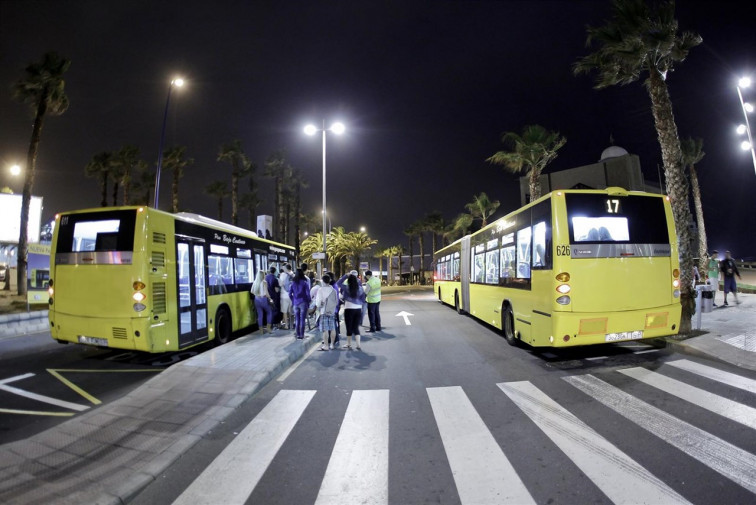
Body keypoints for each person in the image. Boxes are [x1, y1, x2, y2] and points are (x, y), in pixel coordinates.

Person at [340, 273, 365, 350]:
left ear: (348, 281)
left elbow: (338, 283)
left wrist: (345, 276)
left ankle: (349, 344)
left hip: (348, 308)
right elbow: (363, 298)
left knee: (349, 327)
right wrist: (359, 304)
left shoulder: (346, 287)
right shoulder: (360, 289)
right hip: (358, 309)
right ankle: (358, 345)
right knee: (356, 327)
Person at [316, 274, 338, 350]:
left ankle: (326, 345)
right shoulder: (333, 290)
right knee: (332, 328)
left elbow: (318, 303)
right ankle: (332, 344)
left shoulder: (320, 290)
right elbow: (336, 301)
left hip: (324, 311)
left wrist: (320, 305)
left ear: (323, 281)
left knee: (325, 329)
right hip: (332, 311)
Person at [289, 268, 312, 339]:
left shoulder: (293, 283)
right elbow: (308, 294)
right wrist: (309, 301)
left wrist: (293, 300)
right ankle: (302, 334)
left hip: (295, 303)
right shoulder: (305, 283)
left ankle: (298, 334)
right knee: (302, 319)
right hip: (303, 302)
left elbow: (290, 294)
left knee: (297, 319)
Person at [250, 270, 274, 334]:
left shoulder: (255, 282)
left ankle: (261, 331)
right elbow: (266, 292)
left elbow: (252, 291)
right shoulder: (264, 282)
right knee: (269, 312)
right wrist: (270, 298)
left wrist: (257, 294)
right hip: (264, 299)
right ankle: (268, 328)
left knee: (260, 315)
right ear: (263, 275)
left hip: (257, 299)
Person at [279, 264, 293, 330]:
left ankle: (286, 325)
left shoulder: (283, 275)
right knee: (291, 311)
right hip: (292, 295)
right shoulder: (293, 274)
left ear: (286, 268)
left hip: (284, 295)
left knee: (284, 311)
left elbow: (280, 284)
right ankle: (291, 324)